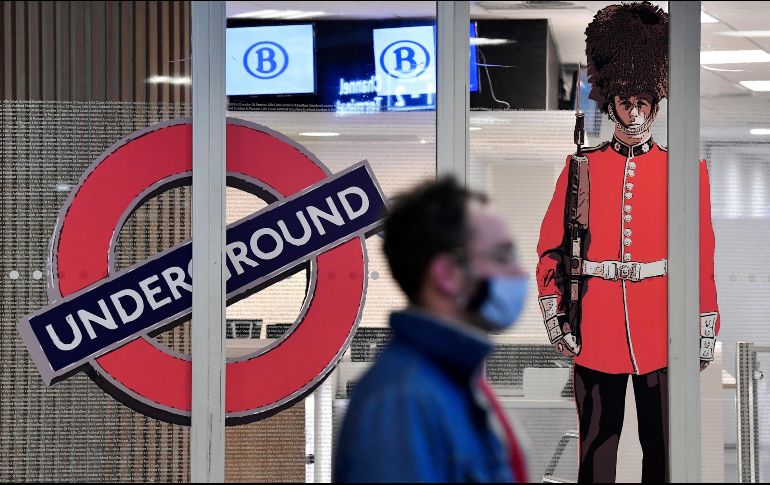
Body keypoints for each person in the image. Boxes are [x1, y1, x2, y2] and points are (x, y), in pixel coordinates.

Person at [536, 2, 720, 483]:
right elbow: (552, 250)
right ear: (610, 100)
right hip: (596, 330)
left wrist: (704, 324)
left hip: (663, 331)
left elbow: (700, 257)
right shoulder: (582, 168)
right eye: (625, 100)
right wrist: (556, 314)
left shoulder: (687, 171)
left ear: (656, 102)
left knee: (664, 454)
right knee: (597, 452)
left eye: (643, 100)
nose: (634, 111)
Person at [334, 178, 529, 483]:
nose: (519, 273)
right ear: (448, 274)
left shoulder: (452, 381)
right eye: (502, 256)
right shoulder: (402, 402)